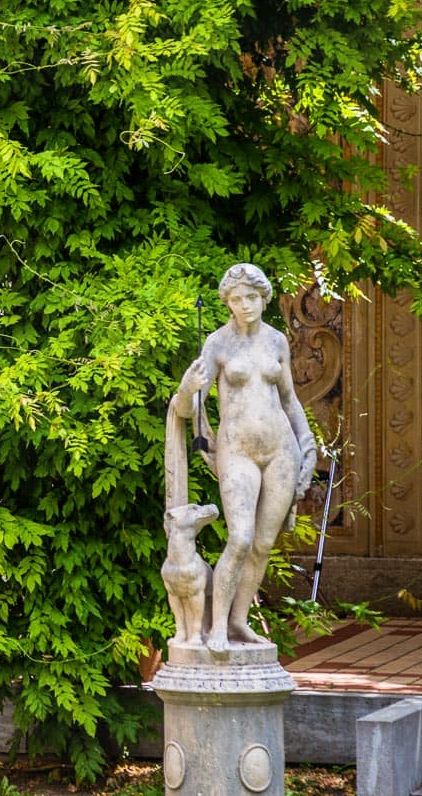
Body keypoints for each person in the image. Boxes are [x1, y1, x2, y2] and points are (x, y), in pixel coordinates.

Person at [172, 263, 316, 655]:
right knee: (240, 538)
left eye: (251, 297)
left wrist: (307, 442)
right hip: (237, 451)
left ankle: (238, 623)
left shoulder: (276, 342)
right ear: (227, 303)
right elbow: (192, 407)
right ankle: (216, 626)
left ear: (264, 298)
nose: (245, 305)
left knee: (264, 543)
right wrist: (190, 396)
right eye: (236, 299)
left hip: (281, 449)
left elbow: (289, 400)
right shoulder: (217, 343)